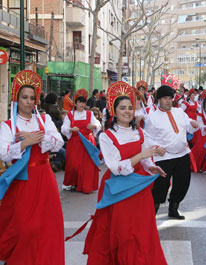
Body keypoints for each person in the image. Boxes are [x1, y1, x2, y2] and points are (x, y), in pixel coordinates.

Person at [83, 81, 167, 265]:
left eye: (130, 107)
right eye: (123, 108)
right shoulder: (106, 136)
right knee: (123, 235)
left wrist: (151, 166)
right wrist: (141, 155)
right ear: (114, 111)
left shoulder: (140, 132)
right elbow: (115, 167)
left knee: (143, 232)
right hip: (119, 190)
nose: (128, 111)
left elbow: (146, 159)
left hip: (140, 189)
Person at [0, 70, 65, 264]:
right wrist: (24, 143)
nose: (28, 101)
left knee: (48, 225)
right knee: (24, 226)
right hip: (21, 179)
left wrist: (38, 138)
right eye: (24, 97)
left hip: (44, 177)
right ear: (17, 99)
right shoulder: (8, 125)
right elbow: (3, 153)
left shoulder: (44, 120)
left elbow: (59, 142)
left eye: (32, 97)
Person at [144, 85, 198, 219]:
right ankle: (151, 215)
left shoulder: (179, 112)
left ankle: (173, 208)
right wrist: (156, 147)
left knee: (182, 183)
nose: (168, 101)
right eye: (164, 98)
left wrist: (192, 123)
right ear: (159, 100)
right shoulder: (152, 117)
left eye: (170, 98)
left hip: (182, 154)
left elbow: (187, 123)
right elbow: (147, 137)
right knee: (160, 187)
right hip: (164, 157)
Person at [61, 88, 101, 193]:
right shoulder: (70, 115)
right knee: (74, 164)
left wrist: (93, 125)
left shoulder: (89, 114)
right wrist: (71, 129)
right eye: (79, 102)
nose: (81, 104)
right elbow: (63, 128)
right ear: (76, 103)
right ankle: (74, 182)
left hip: (87, 142)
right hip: (75, 143)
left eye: (83, 102)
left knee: (87, 165)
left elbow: (98, 124)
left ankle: (86, 185)